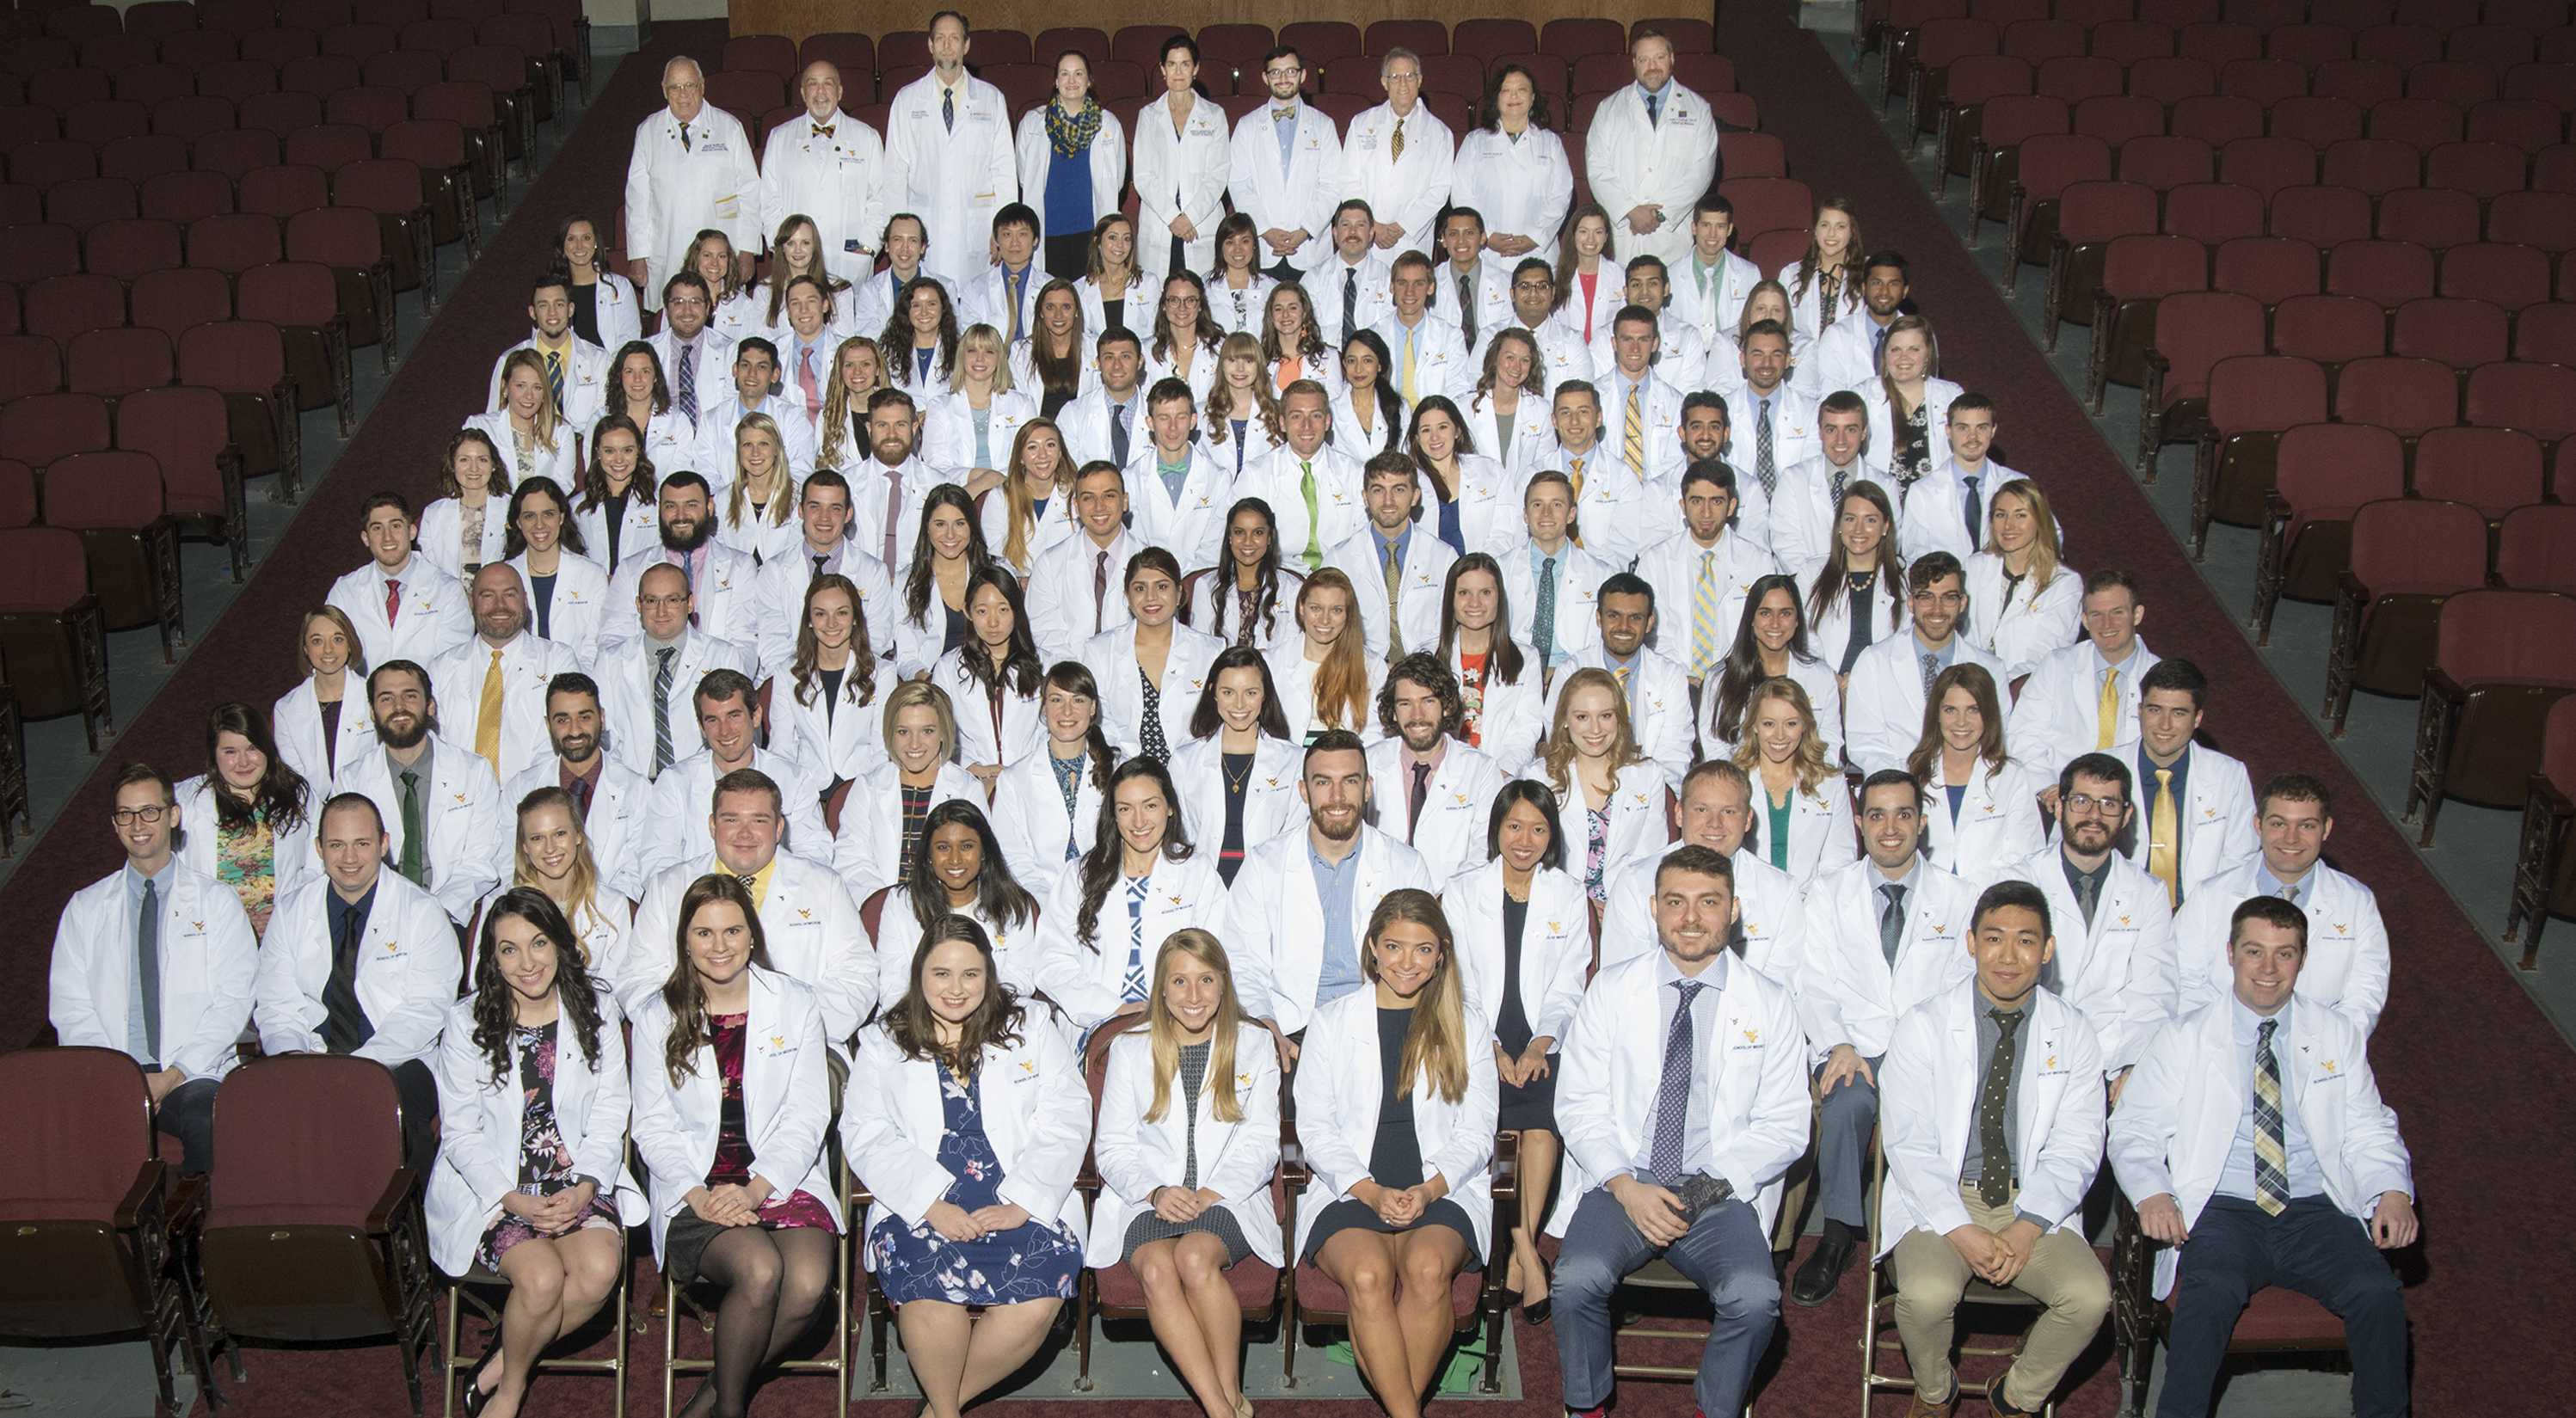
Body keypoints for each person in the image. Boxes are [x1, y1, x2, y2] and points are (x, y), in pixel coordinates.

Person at [2107, 896, 2417, 1418]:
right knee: (2210, 1295)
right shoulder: (2185, 1036)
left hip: (2314, 1208)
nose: (2268, 970)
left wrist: (2392, 1190)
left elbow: (2368, 1127)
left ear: (2303, 958)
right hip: (2223, 1210)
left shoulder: (2336, 1034)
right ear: (2230, 953)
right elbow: (2133, 1128)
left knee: (2376, 1293)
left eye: (2285, 954)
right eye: (2254, 952)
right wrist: (2154, 1191)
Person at [1549, 845, 1806, 1418]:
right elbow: (1578, 1103)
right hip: (1623, 1179)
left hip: (1717, 1187)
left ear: (1733, 909)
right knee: (1573, 1280)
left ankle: (1714, 1408)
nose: (1690, 917)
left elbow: (1786, 1124)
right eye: (1675, 902)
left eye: (1707, 901)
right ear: (1653, 908)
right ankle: (1586, 1406)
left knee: (1755, 1298)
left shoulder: (1770, 1002)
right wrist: (1624, 1185)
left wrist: (1698, 1194)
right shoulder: (1612, 989)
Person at [1878, 879, 2112, 1418]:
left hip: (2030, 1200)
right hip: (1941, 1198)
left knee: (2089, 1298)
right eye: (1994, 939)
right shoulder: (1924, 1024)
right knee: (1927, 1296)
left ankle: (2016, 1397)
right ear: (1971, 944)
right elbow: (1909, 1144)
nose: (2009, 957)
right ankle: (1936, 1391)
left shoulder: (2073, 1031)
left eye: (2026, 941)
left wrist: (2028, 1226)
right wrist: (1960, 1229)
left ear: (2048, 949)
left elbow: (2079, 1144)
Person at [845, 917, 1088, 1418]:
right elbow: (865, 1132)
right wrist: (929, 1206)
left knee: (1039, 1296)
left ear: (990, 975)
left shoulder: (1031, 1025)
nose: (956, 989)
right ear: (919, 975)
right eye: (941, 974)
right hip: (919, 1201)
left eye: (970, 975)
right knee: (927, 1284)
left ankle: (939, 1411)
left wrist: (1024, 1201)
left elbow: (1068, 1116)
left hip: (1018, 1195)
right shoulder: (884, 1040)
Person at [630, 875, 842, 1418]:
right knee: (762, 1271)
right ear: (684, 941)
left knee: (809, 1284)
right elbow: (651, 1126)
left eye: (732, 931)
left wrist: (754, 1190)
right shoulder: (658, 1014)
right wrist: (697, 1195)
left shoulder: (794, 1002)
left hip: (777, 1179)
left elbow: (808, 1113)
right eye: (704, 932)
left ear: (753, 936)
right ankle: (729, 1412)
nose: (719, 946)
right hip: (696, 1191)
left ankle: (708, 1399)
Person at [430, 887, 637, 1418]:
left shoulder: (595, 1007)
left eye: (539, 943)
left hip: (577, 1177)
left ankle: (498, 1366)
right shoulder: (465, 1023)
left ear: (561, 944)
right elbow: (459, 1132)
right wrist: (511, 1198)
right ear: (491, 958)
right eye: (508, 949)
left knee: (596, 1272)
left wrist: (589, 1182)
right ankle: (514, 1389)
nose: (527, 963)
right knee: (542, 1280)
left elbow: (612, 1109)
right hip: (497, 1188)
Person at [1787, 770, 1982, 1306]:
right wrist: (1839, 1044)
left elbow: (1964, 986)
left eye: (1902, 815)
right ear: (1860, 821)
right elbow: (1813, 982)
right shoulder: (1829, 893)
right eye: (1876, 815)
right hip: (1855, 1045)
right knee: (1846, 1103)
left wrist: (1920, 1051)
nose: (1890, 828)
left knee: (1935, 1117)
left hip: (1928, 1050)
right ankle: (1839, 1234)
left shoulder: (1961, 896)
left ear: (1922, 822)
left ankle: (1919, 1233)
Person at [1089, 930, 1283, 1418]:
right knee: (1156, 1267)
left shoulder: (1255, 1043)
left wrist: (1213, 1193)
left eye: (1205, 980)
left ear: (1223, 985)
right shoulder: (1130, 1048)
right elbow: (1111, 1146)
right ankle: (1222, 1407)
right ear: (1161, 988)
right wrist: (1153, 1191)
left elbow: (1261, 1142)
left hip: (1230, 1196)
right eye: (1179, 981)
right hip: (1149, 1197)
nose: (1193, 996)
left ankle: (1227, 1394)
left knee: (1196, 1258)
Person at [51, 763, 260, 1176]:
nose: (138, 824)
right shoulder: (85, 908)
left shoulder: (217, 902)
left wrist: (172, 1076)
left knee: (206, 1119)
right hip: (111, 1078)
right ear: (114, 824)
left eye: (150, 811)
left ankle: (200, 1236)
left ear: (173, 815)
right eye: (126, 814)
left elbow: (233, 1002)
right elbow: (71, 1008)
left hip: (190, 1076)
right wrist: (118, 1079)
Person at [1444, 780, 1587, 1320]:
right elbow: (1460, 984)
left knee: (1541, 1115)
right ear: (1496, 829)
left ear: (1551, 835)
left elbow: (1570, 984)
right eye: (1514, 826)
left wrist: (1540, 1044)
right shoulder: (1463, 891)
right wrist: (1496, 1046)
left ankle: (1519, 1248)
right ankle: (1527, 1250)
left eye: (1537, 828)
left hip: (1543, 1037)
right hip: (1480, 1032)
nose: (1524, 839)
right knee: (1504, 1114)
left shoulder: (1567, 895)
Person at [256, 792, 458, 1170]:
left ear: (383, 844)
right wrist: (293, 1056)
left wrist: (354, 1068)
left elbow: (426, 1011)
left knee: (394, 1111)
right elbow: (275, 1003)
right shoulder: (291, 911)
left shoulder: (422, 912)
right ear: (319, 848)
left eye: (362, 844)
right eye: (337, 845)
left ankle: (403, 1225)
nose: (349, 859)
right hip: (310, 1058)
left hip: (399, 1059)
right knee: (264, 1113)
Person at [622, 765, 874, 1047]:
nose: (745, 834)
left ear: (779, 828)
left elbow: (857, 976)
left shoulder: (823, 885)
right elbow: (639, 981)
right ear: (712, 825)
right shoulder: (668, 888)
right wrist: (699, 1029)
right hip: (696, 1047)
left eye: (758, 820)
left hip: (799, 1049)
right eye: (731, 819)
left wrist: (796, 1031)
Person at [1223, 731, 1433, 1047]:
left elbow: (1423, 963)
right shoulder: (1263, 864)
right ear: (1304, 791)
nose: (1337, 797)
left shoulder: (1406, 865)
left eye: (1349, 781)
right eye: (1323, 782)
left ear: (1367, 789)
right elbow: (1243, 962)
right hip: (1291, 1030)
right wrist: (1265, 1028)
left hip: (1380, 1026)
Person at [2003, 752, 2179, 1090]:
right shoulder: (2018, 881)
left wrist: (2131, 1065)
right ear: (2058, 806)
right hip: (2027, 1052)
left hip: (2110, 1063)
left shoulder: (2148, 892)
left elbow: (2154, 994)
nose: (2094, 816)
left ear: (2126, 815)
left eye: (2109, 804)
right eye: (2081, 801)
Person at [2172, 774, 2388, 1034]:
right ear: (2258, 825)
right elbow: (2182, 983)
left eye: (2306, 826)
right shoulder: (2210, 895)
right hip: (2217, 1041)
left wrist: (2321, 1048)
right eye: (2278, 824)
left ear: (2327, 828)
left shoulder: (2357, 903)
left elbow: (2364, 996)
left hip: (2318, 1048)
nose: (2291, 838)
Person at [1027, 754, 1225, 1035]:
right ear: (1113, 814)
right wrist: (1112, 1010)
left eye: (1151, 806)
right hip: (1098, 1026)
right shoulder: (1079, 876)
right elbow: (1053, 959)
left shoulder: (1198, 873)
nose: (1139, 821)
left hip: (1178, 1026)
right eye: (1125, 809)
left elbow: (1216, 957)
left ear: (1169, 807)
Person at [1595, 760, 1809, 977]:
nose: (1714, 823)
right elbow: (1622, 978)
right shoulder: (1634, 881)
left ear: (1747, 820)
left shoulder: (1782, 891)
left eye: (1728, 811)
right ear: (1679, 813)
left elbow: (1783, 987)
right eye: (1702, 809)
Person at [331, 660, 505, 925]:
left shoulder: (475, 772)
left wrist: (432, 914)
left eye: (409, 696)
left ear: (430, 705)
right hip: (376, 918)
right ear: (372, 712)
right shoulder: (351, 779)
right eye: (386, 698)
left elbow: (480, 862)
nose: (399, 707)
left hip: (449, 916)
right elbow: (346, 863)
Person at [640, 667, 833, 880]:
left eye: (734, 716)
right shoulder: (674, 782)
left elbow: (814, 856)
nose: (725, 731)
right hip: (699, 901)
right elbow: (657, 864)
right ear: (701, 727)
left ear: (756, 715)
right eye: (713, 720)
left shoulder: (795, 779)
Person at [882, 13, 1017, 285]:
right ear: (930, 44)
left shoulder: (991, 98)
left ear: (966, 45)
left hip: (976, 232)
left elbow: (1003, 171)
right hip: (925, 229)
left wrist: (1001, 230)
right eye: (940, 39)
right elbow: (895, 174)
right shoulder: (907, 100)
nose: (947, 46)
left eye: (954, 38)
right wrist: (900, 238)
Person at [2117, 657, 2259, 912]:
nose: (2164, 724)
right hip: (2121, 912)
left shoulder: (2229, 776)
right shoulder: (2102, 769)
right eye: (2155, 709)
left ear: (2197, 718)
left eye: (2179, 713)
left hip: (2199, 916)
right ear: (2139, 710)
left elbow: (2241, 865)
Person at [1843, 552, 2004, 777]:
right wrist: (1907, 783)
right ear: (1911, 602)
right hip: (1895, 789)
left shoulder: (1991, 669)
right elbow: (1864, 744)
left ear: (1963, 603)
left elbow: (1996, 743)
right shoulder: (1874, 661)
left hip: (1968, 786)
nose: (1937, 609)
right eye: (1927, 597)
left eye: (1948, 598)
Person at [598, 562, 759, 783]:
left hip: (703, 784)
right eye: (651, 600)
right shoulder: (610, 661)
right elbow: (606, 737)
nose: (661, 611)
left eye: (672, 600)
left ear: (690, 603)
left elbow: (739, 731)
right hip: (632, 787)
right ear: (638, 605)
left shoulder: (724, 656)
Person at [501, 674, 652, 904]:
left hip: (609, 918)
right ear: (547, 724)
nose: (574, 731)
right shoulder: (520, 788)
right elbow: (510, 867)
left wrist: (586, 913)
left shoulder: (638, 790)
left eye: (584, 717)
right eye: (562, 720)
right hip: (539, 913)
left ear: (601, 718)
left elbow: (635, 875)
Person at [874, 799, 1048, 999]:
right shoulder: (901, 904)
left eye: (966, 846)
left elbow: (1019, 979)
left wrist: (972, 1012)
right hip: (922, 1020)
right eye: (943, 847)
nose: (955, 859)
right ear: (929, 854)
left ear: (984, 852)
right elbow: (892, 986)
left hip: (991, 1017)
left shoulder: (1014, 904)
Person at [2008, 569, 2162, 793]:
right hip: (2062, 796)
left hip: (2133, 800)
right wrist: (2047, 787)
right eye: (2097, 615)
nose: (2107, 624)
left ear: (2137, 615)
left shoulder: (2161, 678)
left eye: (2117, 612)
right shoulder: (2055, 665)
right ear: (2085, 620)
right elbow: (2023, 736)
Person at [1540, 574, 1694, 794]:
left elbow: (1674, 756)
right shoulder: (1570, 671)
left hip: (1650, 792)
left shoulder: (1670, 676)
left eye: (1635, 618)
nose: (1624, 627)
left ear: (1649, 622)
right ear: (1599, 618)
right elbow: (1560, 743)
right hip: (1583, 788)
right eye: (1614, 616)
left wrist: (1645, 795)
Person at [624, 58, 757, 311]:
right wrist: (638, 256)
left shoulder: (729, 128)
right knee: (672, 320)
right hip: (667, 246)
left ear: (702, 86)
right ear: (664, 90)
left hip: (719, 254)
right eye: (675, 87)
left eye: (690, 86)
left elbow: (749, 192)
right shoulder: (648, 132)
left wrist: (747, 250)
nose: (682, 94)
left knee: (722, 319)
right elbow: (638, 199)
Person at [1581, 29, 1720, 272]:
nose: (1652, 66)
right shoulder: (1609, 109)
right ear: (1634, 63)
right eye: (1644, 60)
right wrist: (1631, 211)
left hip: (1671, 235)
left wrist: (1659, 215)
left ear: (1672, 58)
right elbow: (1597, 168)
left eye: (1659, 58)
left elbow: (1701, 172)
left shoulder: (1698, 109)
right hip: (1624, 232)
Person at [1538, 666, 1675, 910]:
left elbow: (1650, 860)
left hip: (1628, 907)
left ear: (1619, 718)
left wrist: (1614, 910)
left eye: (1605, 715)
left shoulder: (1648, 774)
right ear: (1565, 722)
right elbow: (1537, 862)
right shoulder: (1539, 776)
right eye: (1582, 717)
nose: (1596, 729)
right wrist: (1583, 908)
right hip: (1556, 907)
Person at [434, 564, 584, 783]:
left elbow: (563, 740)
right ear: (471, 602)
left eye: (509, 595)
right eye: (488, 596)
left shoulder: (557, 660)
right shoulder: (441, 669)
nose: (500, 606)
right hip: (459, 798)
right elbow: (438, 748)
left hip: (539, 798)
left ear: (525, 601)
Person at [834, 679, 983, 899]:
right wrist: (891, 905)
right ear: (889, 732)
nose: (914, 744)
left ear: (943, 732)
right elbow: (851, 861)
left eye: (927, 731)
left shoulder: (967, 789)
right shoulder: (867, 787)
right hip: (879, 908)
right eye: (903, 732)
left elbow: (973, 864)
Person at [1365, 654, 1507, 885]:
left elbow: (1484, 852)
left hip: (1450, 905)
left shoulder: (1481, 770)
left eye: (1428, 701)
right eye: (1405, 704)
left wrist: (1448, 900)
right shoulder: (1369, 762)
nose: (1417, 715)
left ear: (1447, 707)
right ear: (1393, 712)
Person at [1168, 646, 1303, 887]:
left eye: (1250, 692)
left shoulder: (1294, 762)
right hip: (1201, 888)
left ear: (1265, 694)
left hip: (1270, 886)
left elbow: (1295, 838)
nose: (1239, 705)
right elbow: (1178, 836)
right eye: (1228, 692)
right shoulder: (1185, 761)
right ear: (1213, 693)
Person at [177, 703, 314, 936]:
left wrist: (285, 911)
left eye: (252, 748)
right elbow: (172, 879)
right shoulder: (184, 800)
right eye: (230, 751)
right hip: (212, 932)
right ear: (214, 754)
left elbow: (317, 866)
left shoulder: (297, 794)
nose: (243, 762)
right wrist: (233, 921)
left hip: (284, 931)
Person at [749, 469, 896, 682]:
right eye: (815, 506)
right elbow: (773, 643)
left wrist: (837, 676)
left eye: (835, 508)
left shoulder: (873, 571)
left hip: (853, 681)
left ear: (848, 514)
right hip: (791, 681)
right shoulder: (773, 571)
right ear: (800, 511)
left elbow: (876, 640)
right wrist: (807, 680)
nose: (824, 517)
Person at [1909, 664, 2047, 888]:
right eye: (1950, 710)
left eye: (1973, 709)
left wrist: (1967, 894)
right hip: (1923, 900)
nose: (1961, 722)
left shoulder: (2013, 777)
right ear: (1937, 715)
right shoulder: (1907, 774)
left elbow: (2024, 860)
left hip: (1991, 903)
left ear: (1988, 715)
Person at [1635, 462, 1767, 697]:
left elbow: (1762, 633)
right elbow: (1651, 635)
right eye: (1697, 501)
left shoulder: (1759, 562)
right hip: (1670, 682)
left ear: (1731, 506)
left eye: (1716, 501)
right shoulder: (1655, 560)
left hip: (1739, 683)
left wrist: (1728, 676)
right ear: (1683, 506)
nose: (1706, 513)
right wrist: (1682, 677)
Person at [1087, 547, 1224, 762]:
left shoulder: (1212, 651)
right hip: (1122, 773)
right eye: (1140, 588)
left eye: (1161, 586)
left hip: (1193, 773)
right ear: (1128, 597)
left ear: (1179, 593)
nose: (1151, 597)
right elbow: (1100, 724)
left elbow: (1215, 726)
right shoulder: (1100, 650)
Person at [759, 62, 887, 288]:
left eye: (828, 84)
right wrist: (785, 248)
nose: (820, 92)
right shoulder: (780, 138)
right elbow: (769, 202)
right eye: (812, 84)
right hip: (796, 261)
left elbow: (880, 200)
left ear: (839, 91)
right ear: (802, 93)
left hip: (850, 264)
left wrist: (865, 250)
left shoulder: (867, 137)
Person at [1700, 573, 1844, 768]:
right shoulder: (1719, 678)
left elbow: (1830, 746)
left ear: (1797, 620)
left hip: (1804, 783)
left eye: (1785, 613)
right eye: (1765, 613)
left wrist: (1795, 780)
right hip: (1741, 784)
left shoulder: (1821, 675)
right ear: (1751, 619)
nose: (1775, 623)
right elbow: (1715, 748)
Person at [990, 660, 1114, 885]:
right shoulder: (1014, 779)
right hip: (1040, 899)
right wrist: (1048, 904)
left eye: (1078, 700)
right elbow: (1012, 857)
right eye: (1057, 700)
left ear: (1093, 707)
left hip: (1108, 893)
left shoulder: (1120, 769)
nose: (1067, 711)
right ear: (1043, 705)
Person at [1731, 675, 1859, 891]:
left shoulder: (1830, 783)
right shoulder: (1732, 779)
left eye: (1791, 724)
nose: (1779, 736)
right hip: (1744, 902)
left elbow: (1839, 862)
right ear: (1754, 726)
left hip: (1810, 907)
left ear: (1805, 726)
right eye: (1769, 724)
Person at [1329, 452, 1459, 665]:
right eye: (1378, 490)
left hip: (1427, 670)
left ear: (1415, 496)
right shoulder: (1338, 559)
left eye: (1399, 490)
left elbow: (1447, 630)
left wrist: (1414, 669)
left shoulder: (1444, 557)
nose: (1388, 500)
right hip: (1360, 671)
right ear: (1365, 497)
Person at [494, 781, 636, 971]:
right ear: (524, 846)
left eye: (559, 834)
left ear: (578, 835)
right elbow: (486, 983)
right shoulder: (497, 904)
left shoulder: (613, 905)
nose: (550, 848)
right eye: (537, 838)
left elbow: (615, 986)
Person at [1228, 46, 1342, 279]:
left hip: (1309, 248)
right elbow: (1239, 184)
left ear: (1303, 75)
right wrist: (1265, 230)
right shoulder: (1247, 126)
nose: (1283, 78)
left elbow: (1332, 186)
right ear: (1265, 77)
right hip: (1263, 246)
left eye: (1290, 71)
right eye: (1275, 73)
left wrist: (1305, 231)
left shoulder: (1324, 125)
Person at [765, 573, 887, 789]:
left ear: (856, 618)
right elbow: (782, 749)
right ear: (809, 621)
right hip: (808, 789)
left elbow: (882, 750)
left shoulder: (883, 673)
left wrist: (871, 795)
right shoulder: (786, 674)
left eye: (841, 613)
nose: (831, 624)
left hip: (862, 786)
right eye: (821, 614)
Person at [328, 492, 474, 670]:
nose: (387, 537)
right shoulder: (345, 590)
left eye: (396, 526)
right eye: (377, 528)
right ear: (365, 538)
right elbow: (330, 655)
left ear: (412, 531)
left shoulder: (448, 590)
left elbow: (453, 663)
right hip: (363, 695)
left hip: (426, 695)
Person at [1335, 47, 1453, 265]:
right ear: (1384, 82)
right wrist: (1372, 226)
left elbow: (1439, 190)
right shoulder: (1362, 124)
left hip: (1411, 238)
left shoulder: (1440, 133)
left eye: (1410, 76)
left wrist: (1401, 227)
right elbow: (1348, 179)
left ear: (1419, 80)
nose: (1403, 84)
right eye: (1395, 77)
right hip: (1368, 236)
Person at [1016, 52, 1127, 281]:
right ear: (1056, 81)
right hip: (1049, 230)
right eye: (1064, 74)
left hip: (1090, 230)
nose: (1072, 81)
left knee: (1087, 301)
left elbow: (1118, 179)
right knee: (1053, 301)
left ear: (1089, 81)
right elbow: (1024, 176)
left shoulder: (1108, 123)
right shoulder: (1033, 122)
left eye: (1079, 74)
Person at [934, 564, 1046, 789]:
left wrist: (1018, 771)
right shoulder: (947, 668)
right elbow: (942, 734)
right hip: (969, 782)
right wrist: (972, 767)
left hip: (1031, 783)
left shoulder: (1046, 665)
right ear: (967, 612)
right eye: (982, 611)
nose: (993, 622)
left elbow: (1051, 732)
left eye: (1003, 609)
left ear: (1017, 610)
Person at [1024, 460, 1146, 665]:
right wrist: (1080, 679)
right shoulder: (1049, 563)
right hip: (1068, 681)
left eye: (1109, 495)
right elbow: (1045, 636)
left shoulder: (1150, 563)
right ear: (1076, 506)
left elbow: (1156, 635)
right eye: (1089, 498)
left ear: (1125, 501)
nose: (1099, 506)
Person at [1450, 68, 1572, 269]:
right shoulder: (1475, 142)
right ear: (1496, 98)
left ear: (1533, 98)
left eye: (1521, 89)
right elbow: (1461, 194)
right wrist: (1485, 235)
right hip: (1486, 252)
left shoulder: (1550, 143)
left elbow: (1561, 195)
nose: (1514, 96)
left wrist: (1535, 237)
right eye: (1506, 90)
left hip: (1538, 252)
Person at [1498, 471, 1616, 679]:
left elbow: (1600, 645)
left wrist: (1561, 674)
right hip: (1514, 677)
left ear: (1571, 514)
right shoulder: (1500, 569)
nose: (1546, 514)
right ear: (1525, 515)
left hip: (1577, 679)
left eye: (1556, 505)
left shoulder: (1601, 574)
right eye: (1537, 505)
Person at [1239, 380, 1362, 574]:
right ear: (1282, 423)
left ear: (1328, 422)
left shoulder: (1356, 474)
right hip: (1276, 581)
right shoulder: (1256, 475)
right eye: (1297, 416)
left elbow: (1363, 543)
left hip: (1342, 580)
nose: (1307, 426)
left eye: (1316, 416)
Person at [1134, 35, 1233, 279]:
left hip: (1200, 225)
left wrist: (1189, 218)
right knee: (1161, 301)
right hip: (1161, 224)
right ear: (1162, 69)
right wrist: (1174, 218)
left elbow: (1218, 175)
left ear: (1196, 68)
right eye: (1171, 64)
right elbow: (1143, 176)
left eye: (1185, 64)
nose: (1178, 71)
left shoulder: (1214, 115)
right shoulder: (1148, 116)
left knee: (1202, 301)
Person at [1963, 478, 2077, 685]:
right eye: (2001, 515)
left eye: (2021, 515)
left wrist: (1998, 687)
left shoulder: (2065, 584)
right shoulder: (1974, 567)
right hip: (1969, 683)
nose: (2008, 526)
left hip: (2024, 689)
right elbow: (1962, 636)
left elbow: (2046, 656)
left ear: (2040, 521)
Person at [1436, 554, 1542, 775]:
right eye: (1464, 593)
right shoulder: (1427, 655)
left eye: (1486, 593)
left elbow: (1526, 731)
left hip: (1501, 777)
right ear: (1450, 599)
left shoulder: (1526, 659)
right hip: (1442, 774)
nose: (1475, 603)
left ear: (1499, 598)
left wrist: (1499, 775)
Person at [892, 482, 999, 681]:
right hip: (932, 685)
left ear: (972, 525)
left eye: (960, 523)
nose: (950, 535)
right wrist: (930, 681)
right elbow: (906, 657)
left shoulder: (996, 572)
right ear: (927, 527)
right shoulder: (906, 581)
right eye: (940, 524)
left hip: (990, 679)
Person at [502, 476, 612, 668]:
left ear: (561, 517)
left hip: (576, 683)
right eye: (529, 516)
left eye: (548, 514)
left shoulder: (592, 575)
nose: (539, 525)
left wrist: (572, 685)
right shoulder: (504, 576)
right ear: (518, 522)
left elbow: (594, 645)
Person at [1718, 320, 1820, 525]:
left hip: (1794, 517)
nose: (1767, 363)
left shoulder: (1811, 412)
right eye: (1758, 354)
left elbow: (1812, 478)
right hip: (1737, 518)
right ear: (1743, 359)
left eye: (1776, 355)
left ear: (1788, 360)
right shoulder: (1722, 410)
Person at [1897, 394, 2016, 568]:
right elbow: (1915, 560)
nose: (1972, 437)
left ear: (1993, 430)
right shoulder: (1922, 492)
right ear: (1948, 431)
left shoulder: (2016, 484)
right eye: (1963, 428)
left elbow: (2049, 539)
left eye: (1981, 427)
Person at [1807, 481, 1909, 684]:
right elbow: (1804, 640)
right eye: (1850, 519)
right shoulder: (1810, 572)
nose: (1858, 530)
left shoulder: (1906, 577)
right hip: (1825, 686)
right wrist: (1831, 679)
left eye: (1870, 520)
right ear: (1839, 525)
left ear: (1885, 526)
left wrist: (1863, 682)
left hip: (1885, 686)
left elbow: (1906, 646)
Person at [1125, 377, 1232, 571]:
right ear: (1150, 422)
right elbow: (1134, 542)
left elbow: (1214, 548)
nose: (1172, 427)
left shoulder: (1218, 478)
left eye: (1180, 417)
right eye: (1164, 418)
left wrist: (1186, 584)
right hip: (1149, 583)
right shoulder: (1130, 478)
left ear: (1193, 421)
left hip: (1199, 584)